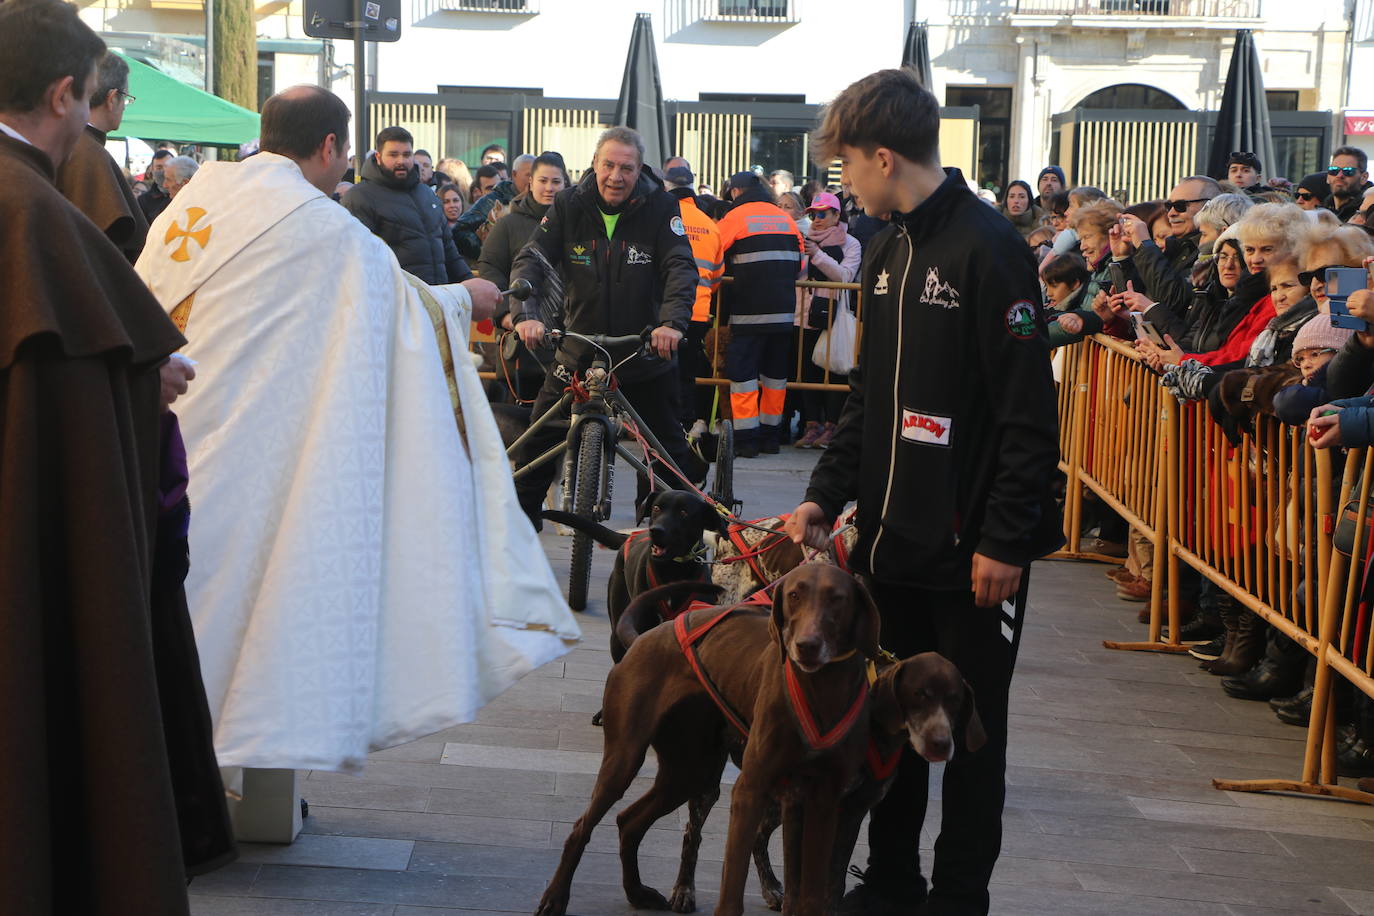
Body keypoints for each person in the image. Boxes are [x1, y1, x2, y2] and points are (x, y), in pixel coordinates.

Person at [135, 84, 579, 779]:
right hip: (246, 446)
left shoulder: (194, 202)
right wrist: (468, 299)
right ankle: (209, 758)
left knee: (177, 599)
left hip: (167, 434)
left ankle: (170, 759)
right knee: (232, 602)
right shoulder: (320, 225)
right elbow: (401, 308)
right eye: (343, 158)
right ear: (330, 148)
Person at [785, 69, 1063, 916]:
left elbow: (1029, 413)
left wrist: (1007, 540)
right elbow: (872, 396)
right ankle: (894, 878)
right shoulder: (887, 248)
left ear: (881, 156)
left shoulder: (991, 249)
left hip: (972, 556)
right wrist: (823, 496)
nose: (846, 186)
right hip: (889, 552)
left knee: (972, 737)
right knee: (887, 724)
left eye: (847, 169)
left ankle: (957, 896)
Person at [0, 1, 234, 910]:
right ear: (65, 93)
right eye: (94, 97)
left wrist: (128, 362)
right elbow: (60, 416)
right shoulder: (33, 214)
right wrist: (144, 383)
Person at [508, 125, 707, 525]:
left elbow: (679, 267)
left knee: (664, 454)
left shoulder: (661, 206)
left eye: (627, 168)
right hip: (577, 348)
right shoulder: (568, 204)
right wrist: (526, 317)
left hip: (643, 349)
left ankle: (658, 539)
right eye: (609, 165)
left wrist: (671, 324)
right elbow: (532, 260)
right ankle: (516, 534)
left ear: (640, 170)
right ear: (594, 164)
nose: (616, 176)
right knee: (536, 446)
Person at [717, 169, 805, 458]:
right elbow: (801, 265)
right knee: (775, 378)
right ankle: (771, 437)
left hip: (748, 314)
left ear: (735, 192)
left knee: (742, 378)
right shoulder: (784, 218)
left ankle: (746, 440)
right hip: (783, 314)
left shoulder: (736, 217)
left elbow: (717, 255)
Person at [479, 151, 569, 402]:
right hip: (521, 344)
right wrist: (507, 314)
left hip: (567, 340)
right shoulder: (509, 224)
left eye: (556, 181)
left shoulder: (576, 223)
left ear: (565, 183)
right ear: (530, 181)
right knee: (521, 426)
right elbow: (489, 270)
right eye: (543, 180)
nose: (549, 188)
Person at [343, 125, 473, 285]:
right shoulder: (360, 197)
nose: (401, 161)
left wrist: (470, 283)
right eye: (393, 155)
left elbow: (448, 249)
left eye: (406, 154)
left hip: (438, 299)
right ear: (378, 157)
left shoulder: (427, 195)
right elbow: (359, 262)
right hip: (395, 303)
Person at [54, 49, 148, 261]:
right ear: (112, 98)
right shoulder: (90, 155)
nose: (125, 107)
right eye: (125, 97)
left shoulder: (60, 141)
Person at [795, 190, 862, 449]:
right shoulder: (803, 239)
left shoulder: (850, 243)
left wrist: (818, 255)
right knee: (806, 373)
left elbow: (845, 276)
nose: (817, 219)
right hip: (803, 314)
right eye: (813, 214)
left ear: (837, 214)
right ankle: (812, 425)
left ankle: (833, 426)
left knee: (833, 372)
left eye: (823, 214)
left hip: (833, 315)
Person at [662, 162, 725, 431]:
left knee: (659, 372)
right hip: (698, 311)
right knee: (688, 372)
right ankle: (686, 425)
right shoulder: (709, 225)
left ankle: (662, 425)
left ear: (667, 186)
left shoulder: (662, 217)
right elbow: (717, 274)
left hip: (663, 311)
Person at [1325, 146, 1372, 222]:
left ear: (1364, 177)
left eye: (1348, 171)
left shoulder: (1368, 213)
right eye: (1333, 170)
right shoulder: (1322, 209)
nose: (1339, 176)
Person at [139, 146, 174, 221]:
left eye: (167, 166)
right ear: (152, 169)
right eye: (159, 168)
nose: (164, 171)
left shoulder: (185, 194)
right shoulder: (143, 200)